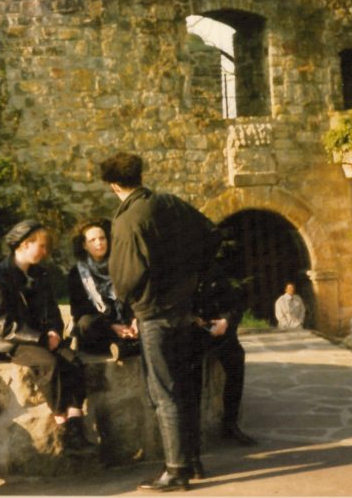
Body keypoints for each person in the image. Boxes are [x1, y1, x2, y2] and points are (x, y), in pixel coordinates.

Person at [99, 152, 220, 492]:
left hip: (154, 314)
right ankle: (192, 460)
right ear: (138, 175)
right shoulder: (170, 203)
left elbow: (125, 277)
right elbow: (212, 235)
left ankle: (176, 469)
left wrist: (130, 305)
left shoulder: (127, 220)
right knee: (184, 387)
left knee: (163, 392)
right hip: (184, 310)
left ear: (112, 185)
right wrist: (190, 278)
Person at [0, 219, 98, 456]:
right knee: (50, 364)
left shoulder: (40, 275)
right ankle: (63, 425)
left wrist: (54, 331)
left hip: (43, 338)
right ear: (24, 244)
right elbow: (1, 324)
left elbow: (52, 310)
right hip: (14, 342)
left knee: (73, 361)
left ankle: (75, 424)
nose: (45, 252)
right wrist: (41, 338)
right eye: (41, 246)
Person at [192, 260, 256, 448]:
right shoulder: (179, 271)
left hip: (218, 332)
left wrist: (225, 321)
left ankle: (230, 423)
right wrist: (192, 319)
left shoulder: (214, 272)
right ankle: (192, 433)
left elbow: (235, 304)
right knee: (191, 374)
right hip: (190, 334)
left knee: (236, 357)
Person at [67, 218, 139, 360]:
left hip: (125, 322)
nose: (99, 243)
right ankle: (127, 346)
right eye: (92, 240)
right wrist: (111, 326)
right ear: (84, 245)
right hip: (101, 326)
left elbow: (134, 296)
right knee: (86, 324)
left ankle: (125, 346)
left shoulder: (121, 265)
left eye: (102, 238)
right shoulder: (76, 273)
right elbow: (79, 311)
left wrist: (134, 319)